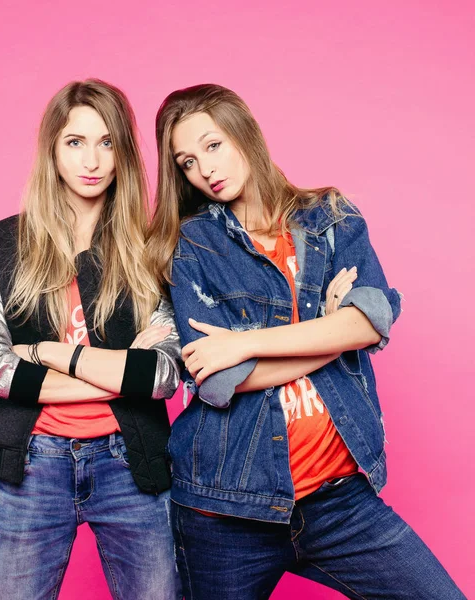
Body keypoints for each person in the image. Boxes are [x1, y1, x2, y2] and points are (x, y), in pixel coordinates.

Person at [145, 83, 465, 599]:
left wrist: (248, 343)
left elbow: (371, 320)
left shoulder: (332, 218)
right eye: (186, 162)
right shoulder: (192, 245)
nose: (204, 169)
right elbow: (221, 378)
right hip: (225, 507)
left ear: (243, 134)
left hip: (339, 500)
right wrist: (332, 331)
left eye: (213, 145)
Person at [0, 79, 182, 600]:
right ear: (52, 151)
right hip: (33, 463)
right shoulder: (1, 243)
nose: (93, 159)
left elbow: (164, 375)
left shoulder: (149, 250)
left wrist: (47, 354)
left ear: (123, 153)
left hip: (132, 462)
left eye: (107, 142)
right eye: (75, 141)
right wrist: (122, 370)